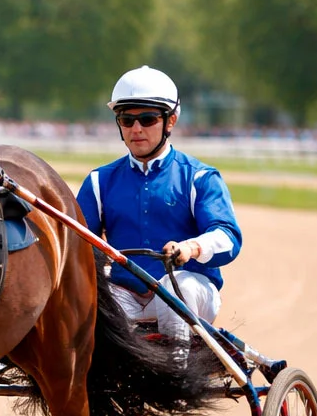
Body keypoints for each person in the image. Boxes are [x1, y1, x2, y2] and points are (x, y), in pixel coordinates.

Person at [76, 66, 242, 347]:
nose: (136, 129)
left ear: (170, 121)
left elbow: (228, 237)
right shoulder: (98, 181)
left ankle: (176, 368)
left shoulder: (199, 177)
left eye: (148, 119)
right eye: (126, 120)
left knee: (176, 287)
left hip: (190, 291)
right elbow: (76, 242)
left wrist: (191, 248)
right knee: (90, 297)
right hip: (125, 294)